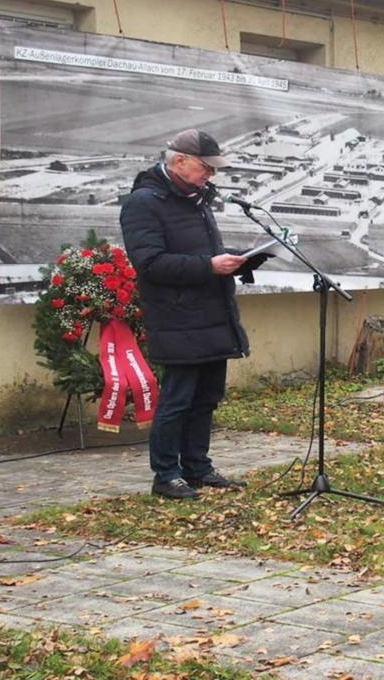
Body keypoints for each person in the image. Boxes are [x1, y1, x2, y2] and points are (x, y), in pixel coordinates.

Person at [120, 128, 250, 499]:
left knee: (206, 398)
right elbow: (150, 263)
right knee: (177, 400)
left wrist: (234, 262)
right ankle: (166, 475)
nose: (211, 174)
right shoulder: (144, 203)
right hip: (176, 318)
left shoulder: (196, 199)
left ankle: (198, 467)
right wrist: (209, 266)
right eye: (205, 167)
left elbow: (199, 252)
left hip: (212, 314)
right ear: (179, 161)